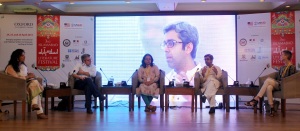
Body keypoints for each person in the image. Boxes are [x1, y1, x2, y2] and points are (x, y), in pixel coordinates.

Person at [245, 50, 296, 117]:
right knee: (269, 87)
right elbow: (279, 76)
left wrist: (279, 81)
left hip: (284, 85)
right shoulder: (282, 67)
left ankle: (256, 99)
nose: (280, 56)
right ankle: (272, 108)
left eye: (282, 55)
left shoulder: (292, 67)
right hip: (278, 84)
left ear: (286, 56)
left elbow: (291, 79)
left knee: (268, 80)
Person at [162, 22, 201, 105]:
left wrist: (189, 96)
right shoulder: (165, 80)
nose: (165, 49)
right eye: (165, 44)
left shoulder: (207, 78)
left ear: (188, 48)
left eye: (171, 43)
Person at [5, 49, 47, 119]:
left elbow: (22, 75)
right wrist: (28, 76)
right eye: (22, 55)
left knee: (35, 83)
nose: (24, 57)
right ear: (16, 57)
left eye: (24, 55)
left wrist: (29, 74)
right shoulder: (10, 67)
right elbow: (17, 79)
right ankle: (39, 111)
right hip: (17, 87)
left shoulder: (22, 66)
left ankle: (35, 105)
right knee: (35, 85)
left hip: (26, 84)